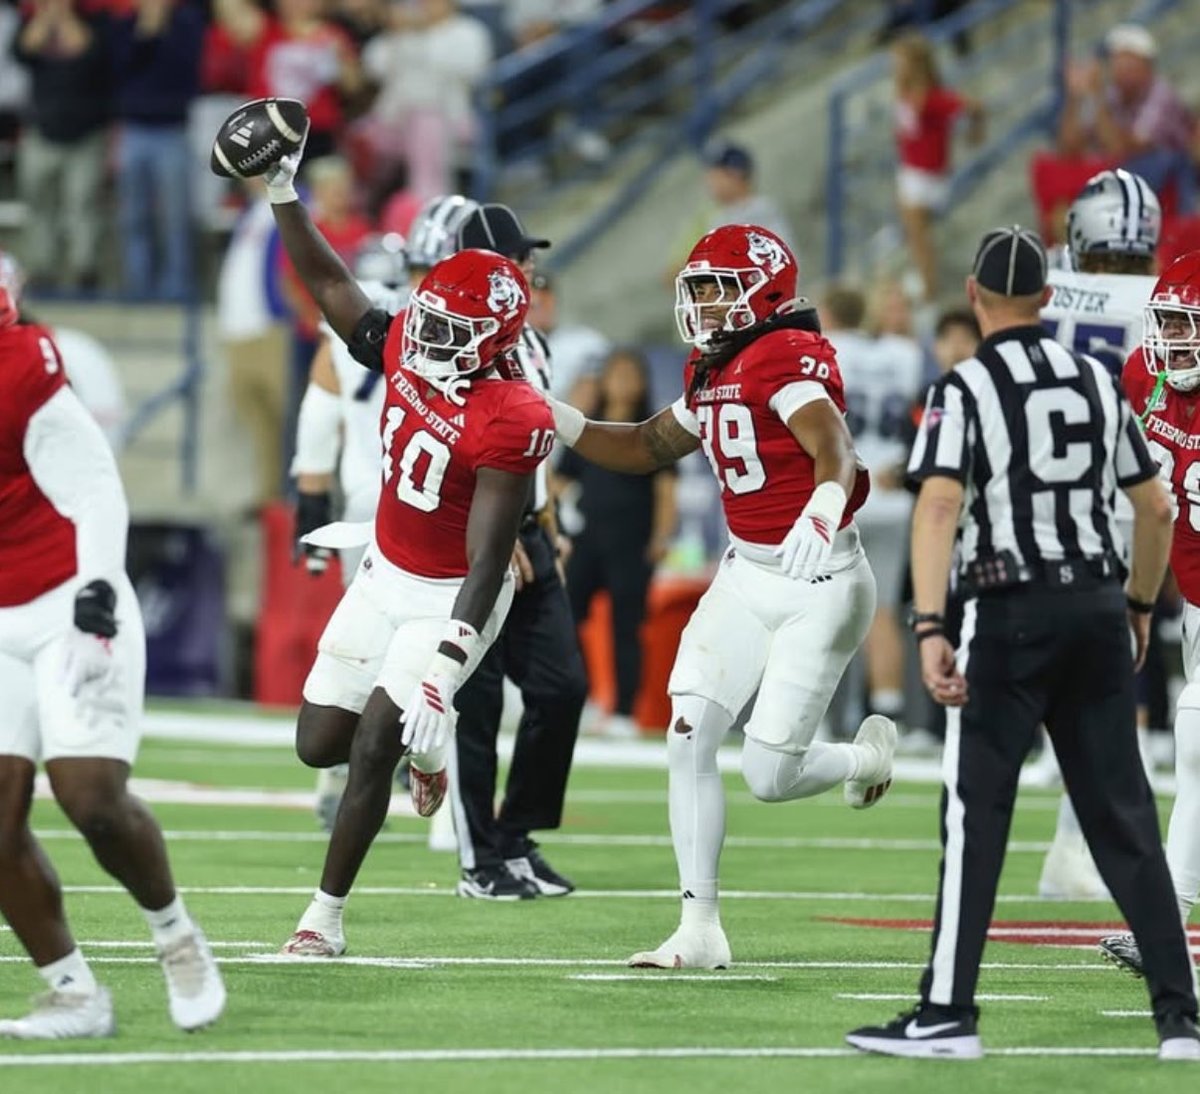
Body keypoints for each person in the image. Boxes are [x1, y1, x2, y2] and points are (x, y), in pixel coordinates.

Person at [846, 226, 1200, 1060]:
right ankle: (1179, 1019)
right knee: (1126, 821)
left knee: (975, 818)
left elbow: (937, 507)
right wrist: (1141, 603)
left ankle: (946, 1014)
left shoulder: (967, 385)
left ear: (974, 297)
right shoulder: (1098, 382)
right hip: (1098, 606)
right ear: (1050, 299)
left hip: (1009, 609)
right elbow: (1153, 509)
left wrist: (930, 624)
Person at [547, 223, 897, 968]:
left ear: (763, 290)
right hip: (745, 574)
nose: (703, 303)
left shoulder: (784, 352)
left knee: (769, 775)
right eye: (696, 288)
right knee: (688, 732)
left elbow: (833, 444)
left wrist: (823, 507)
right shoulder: (714, 368)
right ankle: (698, 927)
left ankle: (864, 759)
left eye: (717, 287)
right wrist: (560, 418)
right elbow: (644, 445)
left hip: (821, 579)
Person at [253, 129, 554, 956]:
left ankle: (324, 919)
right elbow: (328, 282)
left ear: (496, 341)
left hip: (451, 595)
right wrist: (283, 190)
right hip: (384, 572)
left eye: (454, 323)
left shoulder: (511, 413)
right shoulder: (410, 347)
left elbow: (490, 559)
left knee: (377, 739)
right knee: (319, 743)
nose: (429, 333)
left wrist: (450, 664)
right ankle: (426, 762)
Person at [0, 262, 225, 1038]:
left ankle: (176, 937)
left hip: (66, 596)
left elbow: (95, 485)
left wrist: (97, 594)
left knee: (89, 794)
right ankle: (72, 992)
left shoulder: (23, 367)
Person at [445, 202, 588, 900]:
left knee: (562, 688)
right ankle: (479, 860)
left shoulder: (532, 342)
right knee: (477, 701)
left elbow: (534, 442)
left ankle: (516, 834)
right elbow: (458, 446)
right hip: (478, 532)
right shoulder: (459, 343)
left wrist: (548, 515)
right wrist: (490, 540)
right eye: (515, 256)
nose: (529, 267)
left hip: (530, 527)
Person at [1036, 167, 1162, 901]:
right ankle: (1077, 843)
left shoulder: (1045, 283)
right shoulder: (1158, 299)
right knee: (1108, 676)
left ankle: (1062, 842)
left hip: (1032, 493)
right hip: (1121, 498)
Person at [1100, 249, 1200, 979]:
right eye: (1163, 319)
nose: (1169, 337)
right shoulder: (1148, 379)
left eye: (1183, 322)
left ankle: (1164, 926)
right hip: (1194, 603)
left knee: (1196, 738)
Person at [290, 233, 410, 831]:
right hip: (420, 499)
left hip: (364, 496)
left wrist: (309, 500)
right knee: (426, 638)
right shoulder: (429, 321)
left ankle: (336, 775)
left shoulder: (341, 336)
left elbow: (318, 415)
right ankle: (414, 755)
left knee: (360, 639)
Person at [557, 348, 677, 740]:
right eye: (616, 374)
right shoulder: (589, 430)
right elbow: (559, 480)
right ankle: (585, 696)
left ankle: (625, 710)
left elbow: (665, 489)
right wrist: (554, 523)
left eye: (631, 374)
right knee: (565, 616)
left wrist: (661, 535)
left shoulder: (653, 431)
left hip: (633, 540)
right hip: (587, 537)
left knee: (627, 626)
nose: (623, 382)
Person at [821, 285, 924, 730]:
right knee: (881, 612)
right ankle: (889, 713)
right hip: (892, 493)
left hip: (844, 489)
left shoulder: (828, 350)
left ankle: (816, 714)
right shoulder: (904, 354)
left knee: (823, 605)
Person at [891, 31, 984, 304]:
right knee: (916, 235)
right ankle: (925, 280)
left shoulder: (934, 97)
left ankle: (929, 288)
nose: (894, 67)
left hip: (926, 175)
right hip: (911, 170)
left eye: (899, 61)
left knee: (919, 237)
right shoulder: (906, 93)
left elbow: (974, 107)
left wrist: (975, 134)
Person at [664, 141, 796, 283]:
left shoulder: (760, 211)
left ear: (736, 173)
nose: (709, 180)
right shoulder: (717, 217)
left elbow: (774, 271)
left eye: (716, 174)